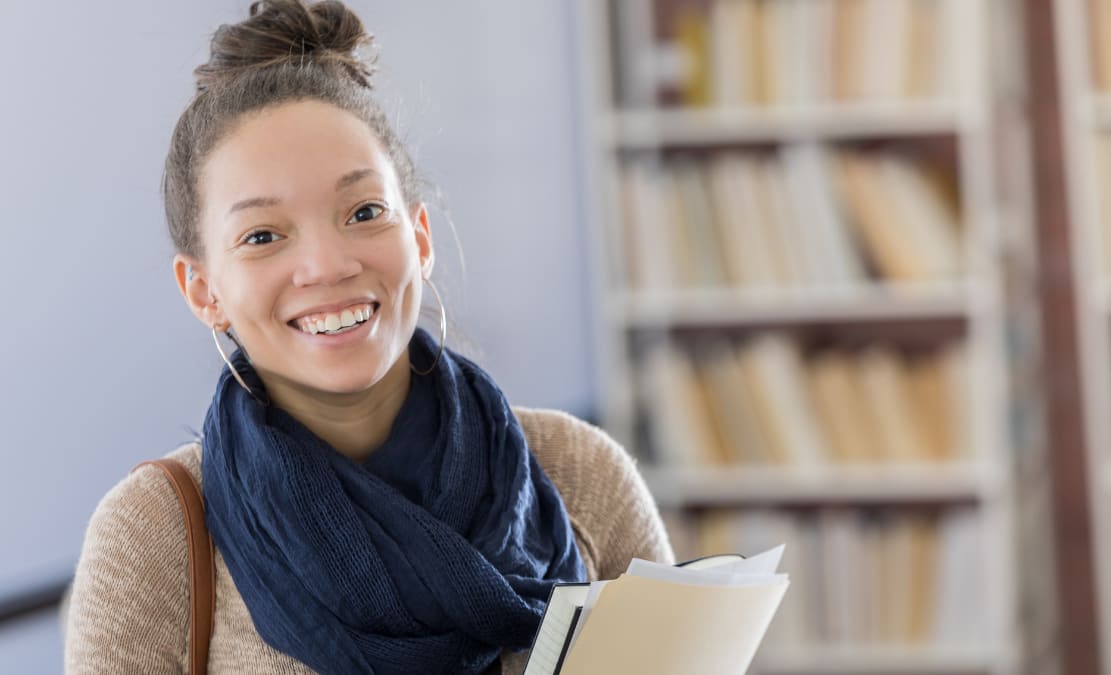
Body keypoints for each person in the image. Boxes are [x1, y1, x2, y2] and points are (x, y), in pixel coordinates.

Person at [63, 1, 673, 672]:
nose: (327, 265)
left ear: (420, 238)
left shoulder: (581, 474)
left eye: (363, 212)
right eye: (262, 235)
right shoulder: (154, 535)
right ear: (204, 290)